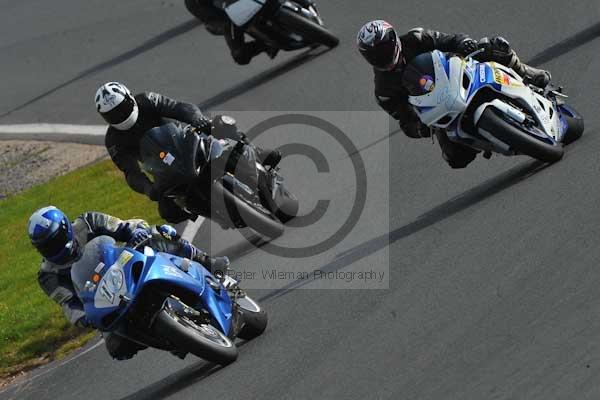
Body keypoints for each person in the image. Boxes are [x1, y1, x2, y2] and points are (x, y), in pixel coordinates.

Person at [28, 206, 231, 360]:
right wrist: (83, 319)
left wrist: (136, 232)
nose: (51, 248)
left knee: (160, 233)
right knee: (117, 347)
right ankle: (174, 339)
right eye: (45, 246)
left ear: (65, 229)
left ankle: (207, 261)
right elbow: (68, 304)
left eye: (53, 240)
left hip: (125, 263)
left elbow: (122, 226)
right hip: (103, 301)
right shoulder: (48, 275)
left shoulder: (87, 222)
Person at [356, 21, 552, 169]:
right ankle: (493, 139)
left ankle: (526, 73)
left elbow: (447, 40)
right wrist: (420, 128)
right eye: (373, 54)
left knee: (495, 46)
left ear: (394, 40)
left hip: (458, 72)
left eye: (383, 49)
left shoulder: (415, 38)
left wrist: (465, 43)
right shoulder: (383, 90)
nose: (381, 56)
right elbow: (405, 121)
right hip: (439, 109)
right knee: (455, 158)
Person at [96, 82, 281, 223]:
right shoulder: (113, 140)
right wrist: (147, 189)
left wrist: (197, 119)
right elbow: (130, 172)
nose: (120, 115)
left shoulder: (146, 100)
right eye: (113, 114)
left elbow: (179, 107)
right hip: (163, 170)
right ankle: (212, 212)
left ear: (130, 98)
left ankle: (257, 153)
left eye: (122, 108)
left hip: (186, 142)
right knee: (168, 212)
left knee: (218, 126)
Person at [185, 0, 315, 64]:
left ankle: (308, 4)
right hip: (235, 15)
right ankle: (267, 44)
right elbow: (211, 22)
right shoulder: (193, 2)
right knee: (240, 56)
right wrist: (225, 24)